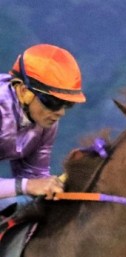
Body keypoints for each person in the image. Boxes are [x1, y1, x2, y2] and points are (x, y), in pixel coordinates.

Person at [0, 44, 86, 204]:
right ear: (23, 91)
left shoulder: (46, 123)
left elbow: (34, 178)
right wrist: (29, 185)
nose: (60, 112)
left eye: (67, 104)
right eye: (53, 102)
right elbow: (29, 185)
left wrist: (65, 181)